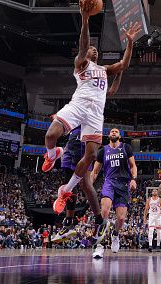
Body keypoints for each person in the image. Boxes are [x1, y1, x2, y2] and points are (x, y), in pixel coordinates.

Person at [43, 3, 141, 222]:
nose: (94, 49)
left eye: (96, 49)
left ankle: (66, 190)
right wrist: (86, 19)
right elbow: (84, 43)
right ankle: (52, 154)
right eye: (91, 49)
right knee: (50, 135)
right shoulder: (80, 65)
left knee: (89, 157)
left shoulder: (105, 70)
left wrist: (130, 42)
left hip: (96, 114)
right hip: (78, 105)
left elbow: (124, 64)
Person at [50, 74, 122, 244]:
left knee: (85, 183)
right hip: (72, 140)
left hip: (87, 138)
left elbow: (111, 91)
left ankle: (100, 220)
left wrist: (119, 72)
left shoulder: (98, 95)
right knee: (68, 182)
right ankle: (69, 222)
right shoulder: (80, 93)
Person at [90, 128, 137, 259]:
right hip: (109, 182)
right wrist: (89, 185)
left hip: (123, 184)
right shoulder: (103, 150)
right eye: (112, 131)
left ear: (120, 136)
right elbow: (95, 171)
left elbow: (133, 165)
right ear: (109, 135)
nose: (114, 132)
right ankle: (99, 246)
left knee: (121, 218)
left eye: (116, 131)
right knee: (104, 212)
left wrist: (133, 179)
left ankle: (115, 234)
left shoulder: (126, 147)